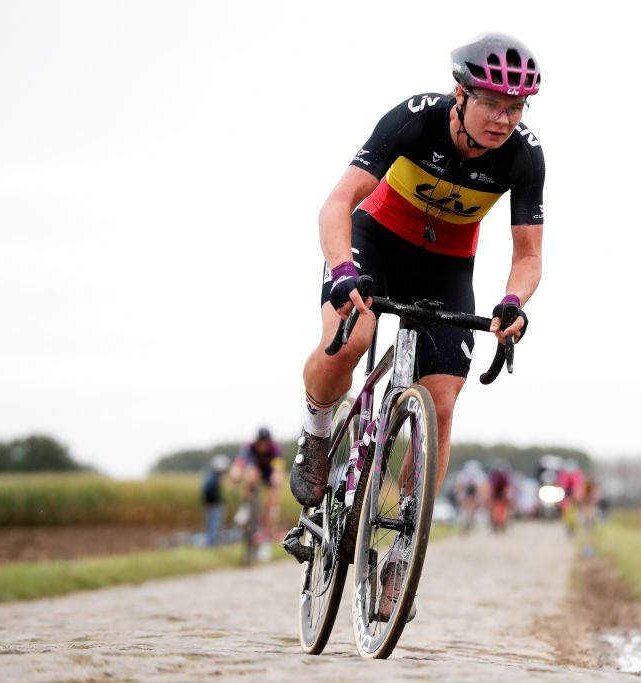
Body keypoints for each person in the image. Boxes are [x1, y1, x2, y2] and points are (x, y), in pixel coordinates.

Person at [289, 33, 545, 620]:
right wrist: (341, 269)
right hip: (372, 243)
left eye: (516, 107)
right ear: (461, 94)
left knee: (443, 402)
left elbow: (528, 255)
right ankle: (318, 429)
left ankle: (402, 548)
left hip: (445, 266)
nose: (503, 119)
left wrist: (512, 301)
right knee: (350, 340)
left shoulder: (524, 155)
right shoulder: (414, 120)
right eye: (492, 104)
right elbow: (337, 202)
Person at [230, 427, 284, 546]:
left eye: (266, 443)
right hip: (255, 470)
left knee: (274, 495)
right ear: (257, 441)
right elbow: (239, 463)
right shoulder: (249, 447)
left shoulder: (275, 449)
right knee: (251, 475)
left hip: (269, 473)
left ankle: (267, 531)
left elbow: (278, 468)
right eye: (261, 443)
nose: (263, 446)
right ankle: (246, 507)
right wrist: (236, 474)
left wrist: (276, 478)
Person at [201, 454, 229, 546]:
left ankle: (213, 542)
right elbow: (208, 491)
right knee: (213, 524)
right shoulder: (212, 478)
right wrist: (212, 502)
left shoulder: (212, 476)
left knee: (213, 524)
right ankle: (211, 544)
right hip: (213, 505)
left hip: (212, 504)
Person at [453, 459, 488, 533]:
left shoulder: (464, 474)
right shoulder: (477, 475)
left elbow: (460, 487)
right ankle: (467, 519)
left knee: (468, 507)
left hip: (471, 492)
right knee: (468, 507)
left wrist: (459, 496)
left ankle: (468, 519)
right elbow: (460, 486)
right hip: (469, 492)